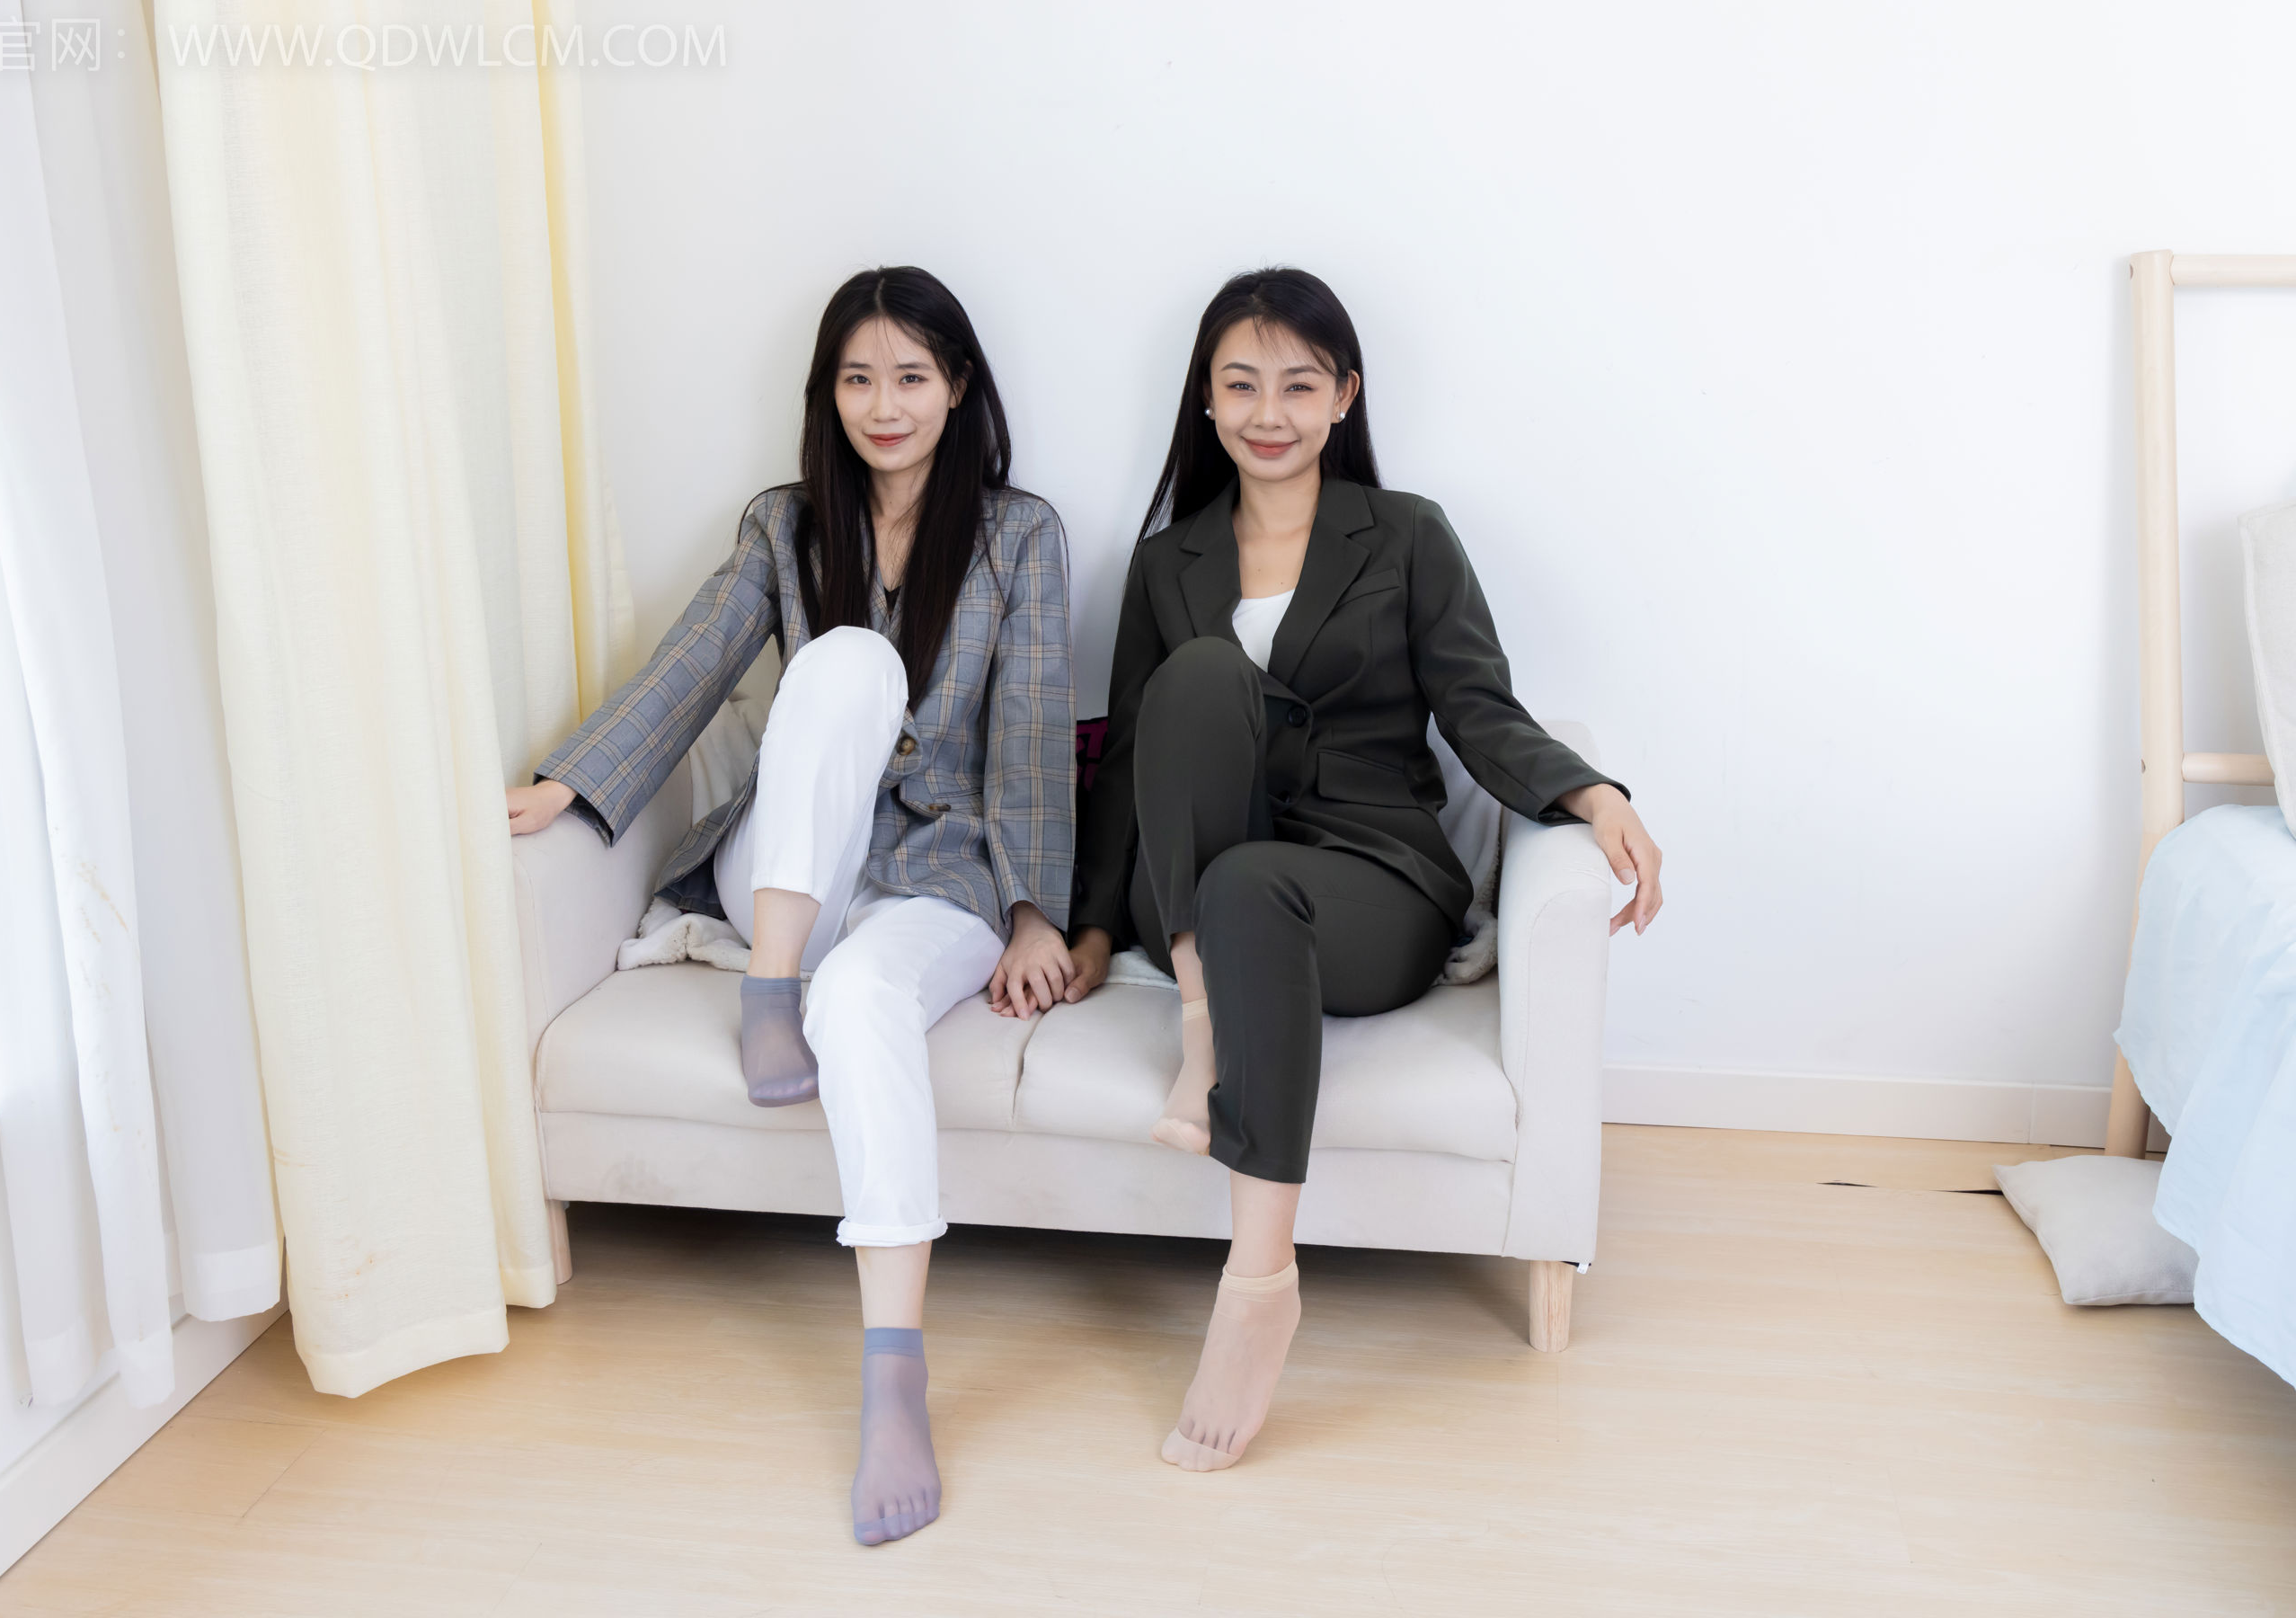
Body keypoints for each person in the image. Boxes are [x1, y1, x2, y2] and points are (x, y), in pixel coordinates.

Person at [507, 267, 1077, 1546]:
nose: (885, 405)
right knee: (846, 661)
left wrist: (1036, 910)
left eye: (911, 377)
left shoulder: (1020, 535)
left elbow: (1036, 734)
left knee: (865, 997)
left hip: (937, 876)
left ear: (957, 387)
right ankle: (770, 985)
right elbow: (692, 665)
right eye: (858, 379)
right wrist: (571, 783)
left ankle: (893, 1376)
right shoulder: (785, 525)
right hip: (785, 880)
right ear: (828, 392)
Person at [1065, 267, 1664, 1472]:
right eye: (1241, 384)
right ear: (1205, 400)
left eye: (1298, 385)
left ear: (1343, 395)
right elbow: (1132, 758)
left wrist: (1590, 791)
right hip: (1202, 886)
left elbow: (1478, 706)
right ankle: (1203, 1020)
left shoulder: (1405, 536)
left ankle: (1256, 1291)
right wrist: (1084, 931)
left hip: (1369, 877)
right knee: (1199, 694)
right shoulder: (1169, 562)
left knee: (1257, 885)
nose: (1268, 412)